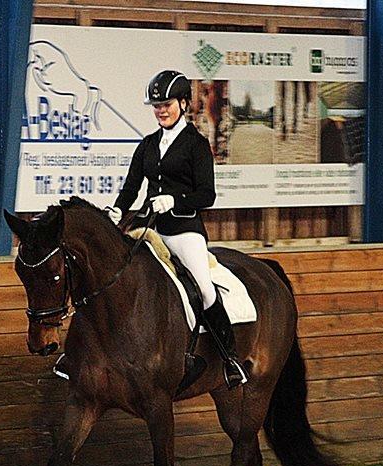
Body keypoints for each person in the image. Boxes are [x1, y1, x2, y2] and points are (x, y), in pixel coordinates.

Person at [56, 70, 245, 388]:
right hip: (147, 226)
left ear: (183, 104)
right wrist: (117, 210)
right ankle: (74, 354)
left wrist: (173, 200)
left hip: (184, 229)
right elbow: (131, 188)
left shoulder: (196, 146)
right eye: (156, 105)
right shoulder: (147, 145)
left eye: (167, 104)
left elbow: (206, 195)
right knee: (102, 276)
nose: (161, 110)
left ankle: (230, 359)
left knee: (204, 287)